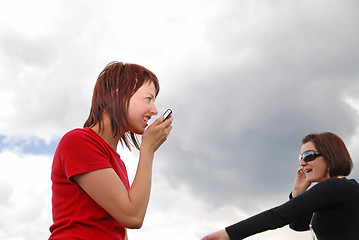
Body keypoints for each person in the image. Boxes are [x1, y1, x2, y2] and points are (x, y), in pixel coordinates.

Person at [49, 62, 173, 239]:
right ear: (117, 93)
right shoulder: (78, 141)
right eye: (148, 99)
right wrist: (148, 150)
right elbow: (133, 216)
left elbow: (120, 230)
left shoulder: (116, 161)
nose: (154, 110)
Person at [201, 132, 359, 240]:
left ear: (331, 155)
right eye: (301, 158)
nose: (302, 163)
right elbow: (298, 224)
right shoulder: (336, 193)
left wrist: (227, 234)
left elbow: (277, 216)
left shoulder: (336, 187)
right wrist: (298, 193)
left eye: (308, 156)